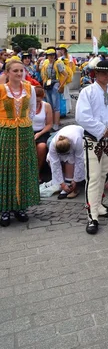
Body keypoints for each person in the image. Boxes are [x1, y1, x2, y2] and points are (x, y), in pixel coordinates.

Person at [76, 59, 108, 234]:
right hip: (94, 139)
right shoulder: (87, 92)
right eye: (103, 72)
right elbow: (82, 117)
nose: (107, 75)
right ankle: (92, 215)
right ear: (95, 74)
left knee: (102, 174)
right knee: (93, 177)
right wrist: (102, 129)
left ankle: (98, 206)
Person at [0, 58, 39, 227]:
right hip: (5, 132)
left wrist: (25, 123)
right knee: (5, 169)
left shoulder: (30, 88)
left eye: (21, 71)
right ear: (7, 73)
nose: (18, 73)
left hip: (24, 131)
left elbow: (32, 109)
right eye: (15, 71)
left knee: (23, 168)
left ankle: (20, 206)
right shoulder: (1, 89)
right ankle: (4, 208)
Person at [47, 125, 85, 199]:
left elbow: (79, 160)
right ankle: (65, 184)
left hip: (79, 134)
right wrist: (62, 184)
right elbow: (55, 164)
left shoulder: (77, 140)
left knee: (70, 159)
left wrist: (76, 180)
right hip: (65, 136)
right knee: (49, 159)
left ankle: (71, 184)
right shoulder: (53, 145)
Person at [41, 48, 67, 131]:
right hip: (47, 85)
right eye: (49, 55)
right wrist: (43, 88)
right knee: (50, 105)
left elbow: (65, 75)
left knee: (56, 106)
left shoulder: (57, 64)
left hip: (55, 84)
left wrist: (60, 86)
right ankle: (51, 123)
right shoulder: (46, 64)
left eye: (52, 55)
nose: (51, 57)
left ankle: (56, 124)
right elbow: (44, 77)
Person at [32, 86, 53, 177]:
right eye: (35, 100)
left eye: (39, 100)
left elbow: (49, 124)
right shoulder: (26, 106)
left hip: (42, 131)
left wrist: (39, 134)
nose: (37, 102)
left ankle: (37, 172)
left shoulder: (46, 106)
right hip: (29, 131)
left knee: (42, 146)